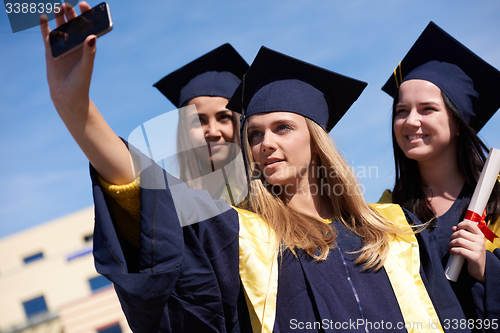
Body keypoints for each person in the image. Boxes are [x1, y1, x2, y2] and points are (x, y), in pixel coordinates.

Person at [41, 4, 466, 332]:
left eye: (283, 128)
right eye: (255, 135)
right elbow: (151, 190)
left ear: (317, 143)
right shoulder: (243, 237)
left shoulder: (395, 230)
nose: (266, 143)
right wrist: (77, 109)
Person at [380, 21, 500, 329]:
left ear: (458, 123)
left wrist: (487, 268)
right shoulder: (387, 210)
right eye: (402, 110)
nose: (410, 121)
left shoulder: (497, 202)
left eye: (427, 109)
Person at [152, 44, 248, 205]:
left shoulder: (272, 189)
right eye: (198, 121)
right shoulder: (172, 201)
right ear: (184, 131)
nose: (213, 131)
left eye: (224, 117)